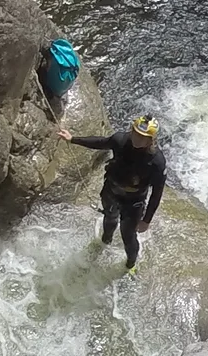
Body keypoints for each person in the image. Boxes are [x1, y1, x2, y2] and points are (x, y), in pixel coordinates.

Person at [67, 113, 166, 268]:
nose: (137, 139)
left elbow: (157, 193)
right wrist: (73, 139)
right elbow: (101, 142)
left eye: (143, 137)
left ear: (151, 140)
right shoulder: (120, 140)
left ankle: (130, 265)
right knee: (109, 220)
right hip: (111, 192)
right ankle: (105, 242)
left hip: (134, 201)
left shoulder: (156, 162)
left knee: (128, 235)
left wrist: (146, 220)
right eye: (135, 133)